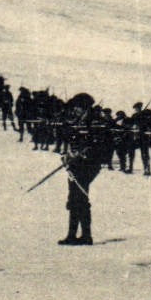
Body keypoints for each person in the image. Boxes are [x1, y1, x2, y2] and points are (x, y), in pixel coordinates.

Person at [59, 93, 113, 246]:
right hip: (74, 164)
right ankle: (73, 234)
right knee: (74, 197)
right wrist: (66, 155)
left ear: (84, 107)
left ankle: (85, 235)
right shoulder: (77, 121)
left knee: (80, 196)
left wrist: (86, 153)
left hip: (89, 165)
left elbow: (104, 145)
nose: (74, 110)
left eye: (77, 107)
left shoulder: (96, 122)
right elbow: (70, 140)